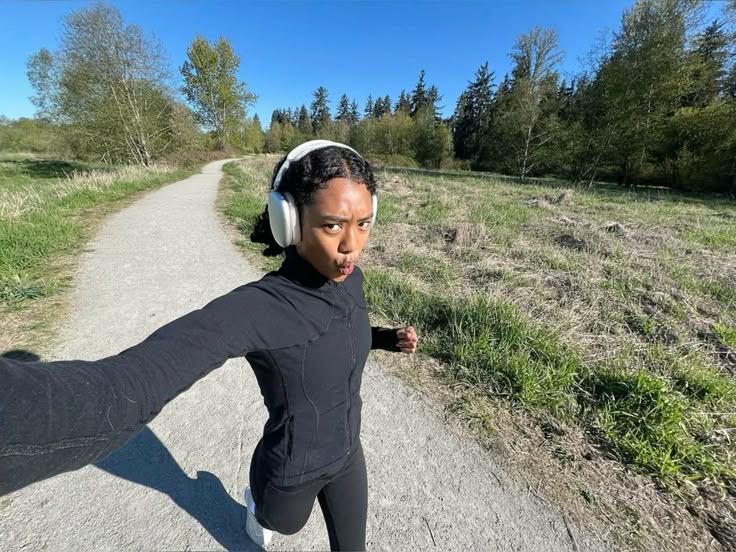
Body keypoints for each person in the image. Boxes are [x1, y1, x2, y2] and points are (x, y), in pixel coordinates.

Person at [0, 140, 418, 551]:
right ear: (289, 221)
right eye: (333, 225)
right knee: (283, 524)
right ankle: (256, 503)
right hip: (292, 469)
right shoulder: (259, 307)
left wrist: (384, 338)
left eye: (363, 223)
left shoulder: (351, 279)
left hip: (348, 453)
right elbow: (128, 384)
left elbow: (339, 332)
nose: (352, 245)